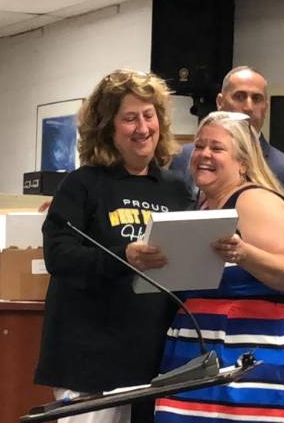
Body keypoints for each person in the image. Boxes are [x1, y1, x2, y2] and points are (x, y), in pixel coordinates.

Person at [34, 69, 194, 423]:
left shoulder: (176, 190)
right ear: (108, 127)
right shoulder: (82, 185)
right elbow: (59, 256)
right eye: (129, 118)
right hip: (90, 363)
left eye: (149, 116)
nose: (142, 128)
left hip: (155, 361)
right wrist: (124, 257)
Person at [155, 112, 284, 422]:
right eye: (199, 146)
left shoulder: (254, 201)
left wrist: (244, 253)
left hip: (255, 353)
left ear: (243, 162)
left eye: (216, 148)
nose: (203, 155)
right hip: (203, 354)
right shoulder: (203, 205)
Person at [169, 66, 284, 247]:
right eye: (239, 97)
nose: (248, 107)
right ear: (220, 102)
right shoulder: (184, 158)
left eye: (257, 99)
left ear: (266, 108)